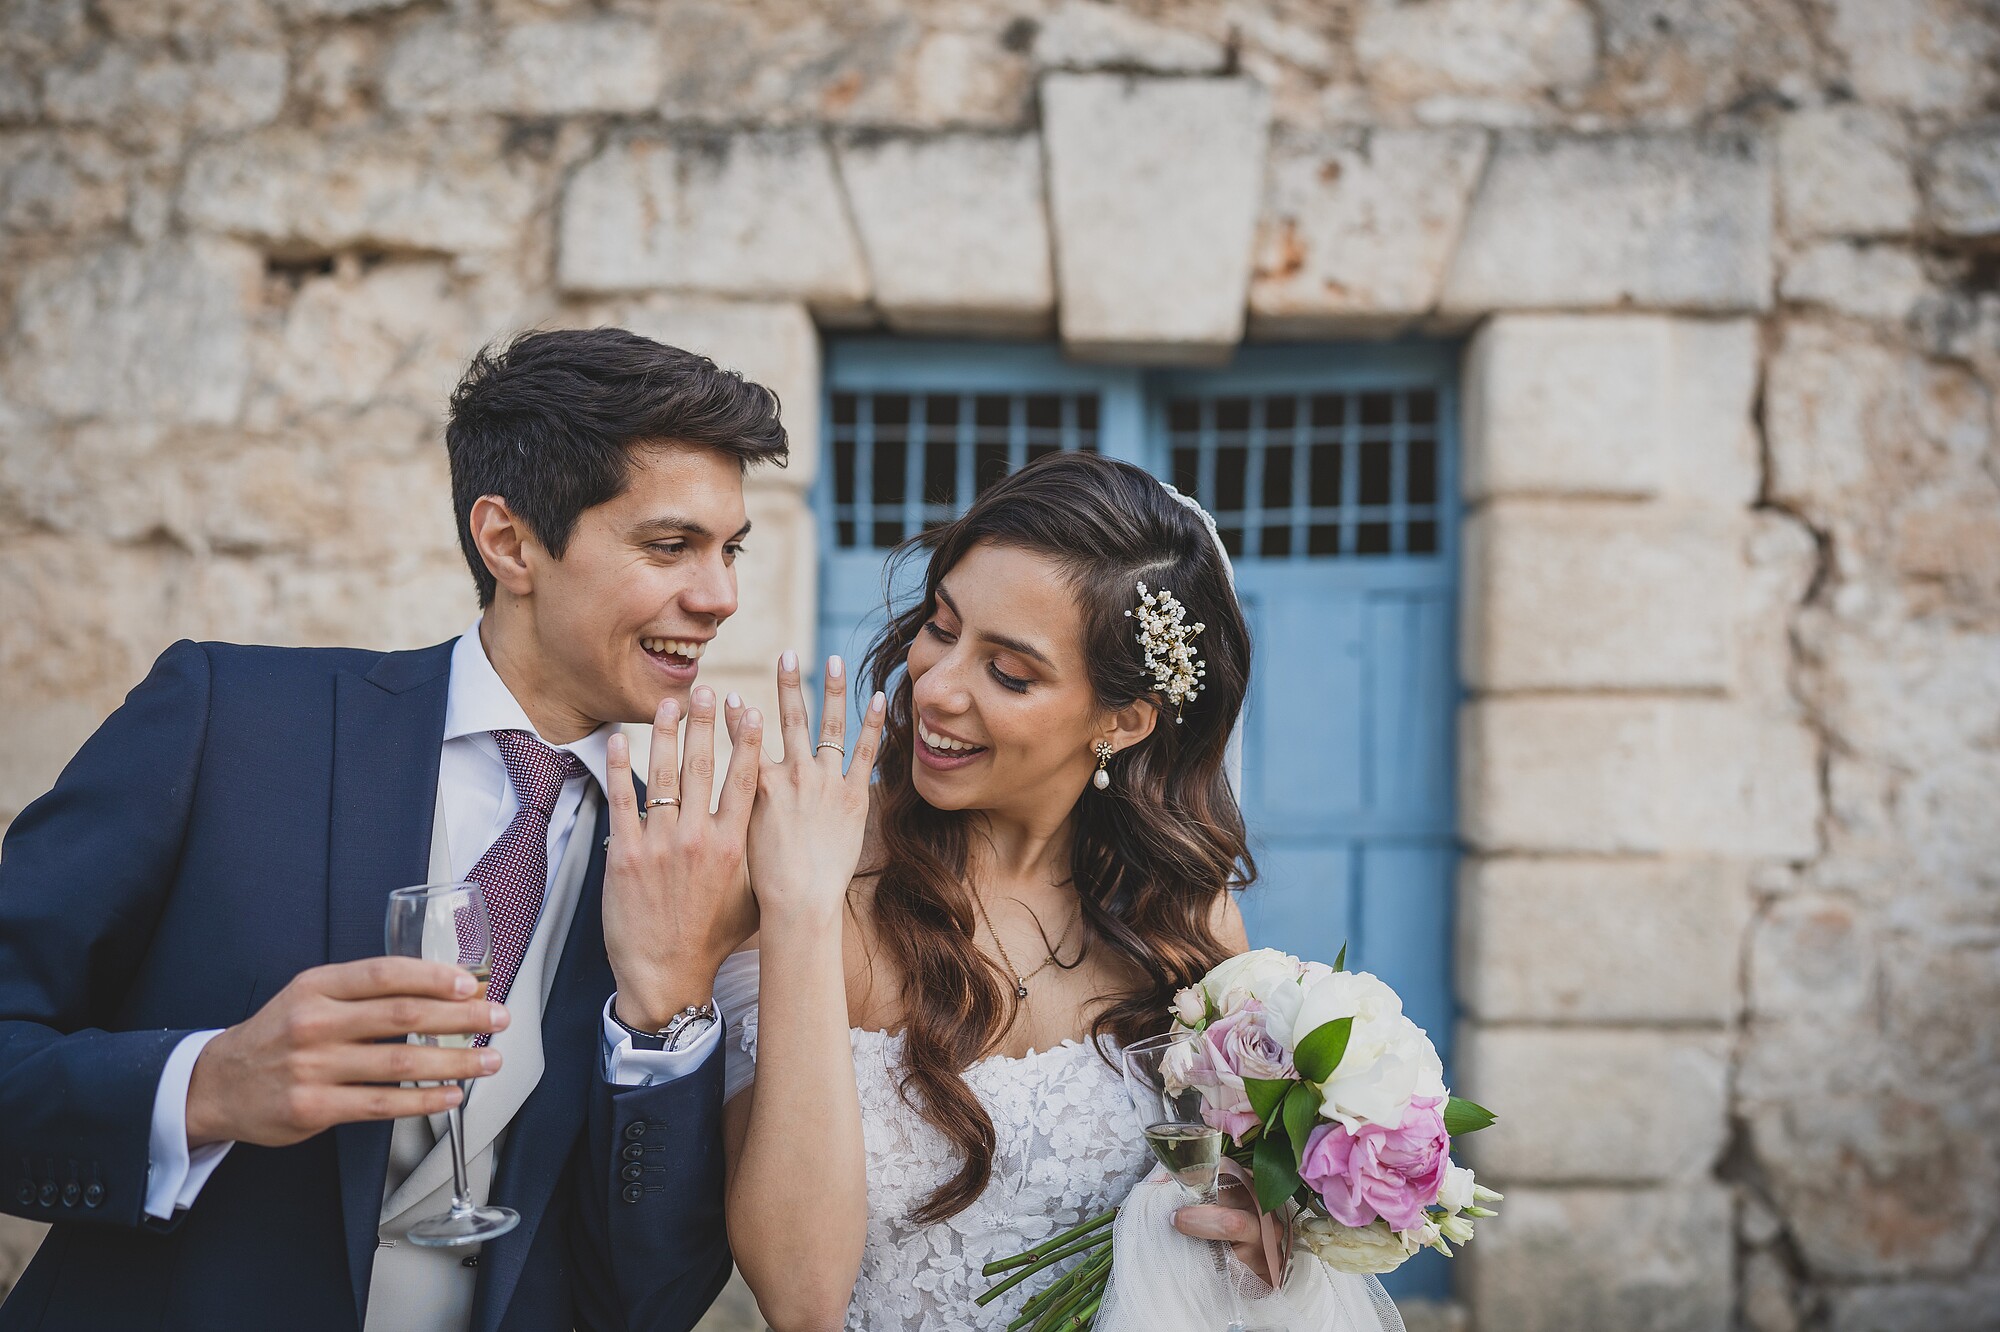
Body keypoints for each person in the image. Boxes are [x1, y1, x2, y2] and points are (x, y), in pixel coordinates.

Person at [0, 328, 788, 1331]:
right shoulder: (228, 719)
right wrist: (203, 1086)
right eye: (670, 546)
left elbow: (652, 1295)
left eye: (731, 552)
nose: (718, 597)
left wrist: (665, 1023)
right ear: (508, 542)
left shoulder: (691, 859)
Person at [718, 450, 1274, 1331]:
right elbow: (798, 1298)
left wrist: (1254, 1229)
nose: (933, 688)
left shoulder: (1185, 927)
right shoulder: (812, 874)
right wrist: (798, 912)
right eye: (941, 628)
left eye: (1009, 674)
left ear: (1121, 722)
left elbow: (1234, 1216)